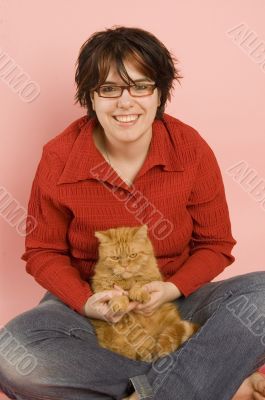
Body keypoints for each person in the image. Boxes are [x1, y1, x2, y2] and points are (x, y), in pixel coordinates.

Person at [0, 26, 264, 400]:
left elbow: (215, 244)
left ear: (159, 93)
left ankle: (167, 386)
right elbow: (43, 251)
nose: (126, 102)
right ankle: (219, 381)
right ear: (91, 96)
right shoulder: (59, 156)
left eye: (141, 86)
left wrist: (171, 288)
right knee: (11, 354)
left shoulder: (190, 148)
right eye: (109, 89)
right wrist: (87, 301)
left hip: (176, 303)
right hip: (89, 309)